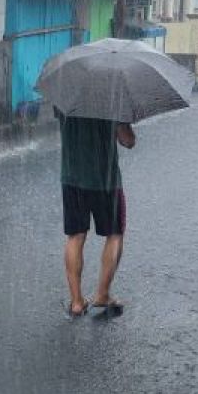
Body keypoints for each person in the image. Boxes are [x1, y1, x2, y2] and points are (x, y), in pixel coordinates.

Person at [57, 109, 136, 318]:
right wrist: (125, 125)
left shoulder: (65, 97)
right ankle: (102, 294)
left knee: (76, 236)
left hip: (72, 176)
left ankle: (76, 302)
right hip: (105, 179)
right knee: (115, 234)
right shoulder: (113, 97)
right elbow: (127, 140)